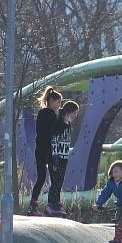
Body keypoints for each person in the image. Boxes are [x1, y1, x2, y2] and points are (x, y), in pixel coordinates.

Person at [27, 86, 66, 216]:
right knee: (55, 177)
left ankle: (33, 205)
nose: (59, 105)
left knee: (41, 177)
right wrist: (65, 122)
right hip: (48, 150)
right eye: (58, 102)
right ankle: (53, 203)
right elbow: (55, 131)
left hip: (39, 149)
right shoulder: (50, 114)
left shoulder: (41, 113)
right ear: (52, 101)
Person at [45, 100, 80, 216]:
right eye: (75, 113)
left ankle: (56, 202)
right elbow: (53, 139)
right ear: (69, 112)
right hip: (56, 156)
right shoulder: (59, 122)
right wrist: (54, 156)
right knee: (55, 180)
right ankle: (51, 203)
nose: (76, 116)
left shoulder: (68, 124)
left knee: (59, 181)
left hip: (64, 156)